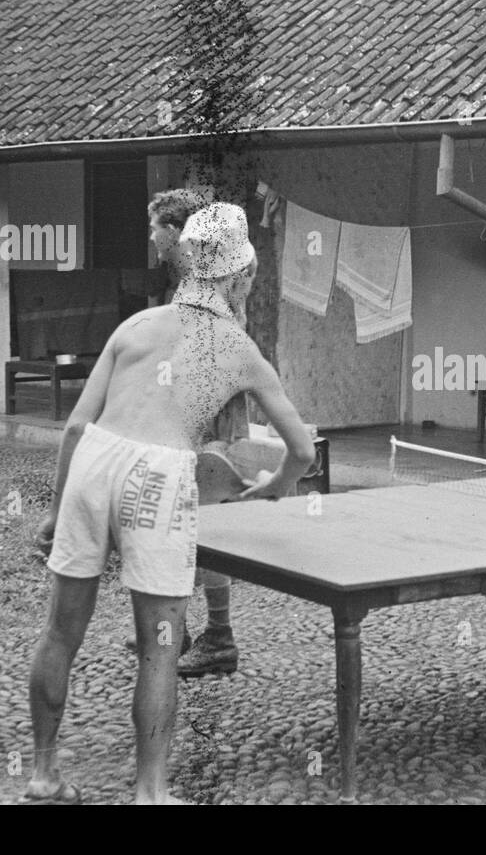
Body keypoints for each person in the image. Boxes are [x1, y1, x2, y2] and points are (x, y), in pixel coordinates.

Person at [25, 203, 314, 804]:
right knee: (159, 648)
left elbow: (76, 428)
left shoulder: (135, 326)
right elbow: (303, 450)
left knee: (59, 631)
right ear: (240, 277)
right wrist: (277, 486)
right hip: (158, 472)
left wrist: (57, 511)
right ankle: (150, 792)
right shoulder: (239, 349)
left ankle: (43, 775)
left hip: (95, 460)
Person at [144, 189, 257, 676]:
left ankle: (220, 636)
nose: (151, 236)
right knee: (182, 522)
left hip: (213, 416)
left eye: (155, 228)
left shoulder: (209, 285)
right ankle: (184, 629)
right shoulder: (201, 278)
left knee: (205, 524)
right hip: (199, 413)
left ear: (175, 232)